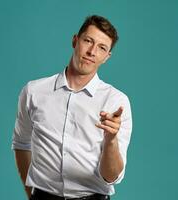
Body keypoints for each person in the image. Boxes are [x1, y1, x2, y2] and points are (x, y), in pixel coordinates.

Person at [12, 15, 133, 200]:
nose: (92, 51)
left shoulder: (116, 102)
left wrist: (111, 140)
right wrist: (32, 194)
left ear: (107, 57)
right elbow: (21, 143)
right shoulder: (33, 92)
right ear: (75, 40)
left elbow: (111, 177)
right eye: (88, 41)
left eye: (102, 48)